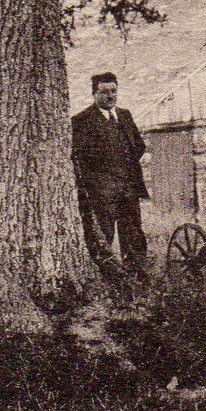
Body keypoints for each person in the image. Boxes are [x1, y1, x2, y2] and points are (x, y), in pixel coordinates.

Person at [71, 72, 149, 281]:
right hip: (102, 191)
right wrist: (99, 177)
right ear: (94, 94)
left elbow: (139, 145)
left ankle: (136, 275)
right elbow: (78, 157)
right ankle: (104, 278)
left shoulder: (124, 115)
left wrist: (125, 167)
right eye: (104, 92)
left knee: (132, 231)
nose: (110, 96)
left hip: (128, 187)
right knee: (103, 234)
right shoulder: (81, 121)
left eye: (113, 91)